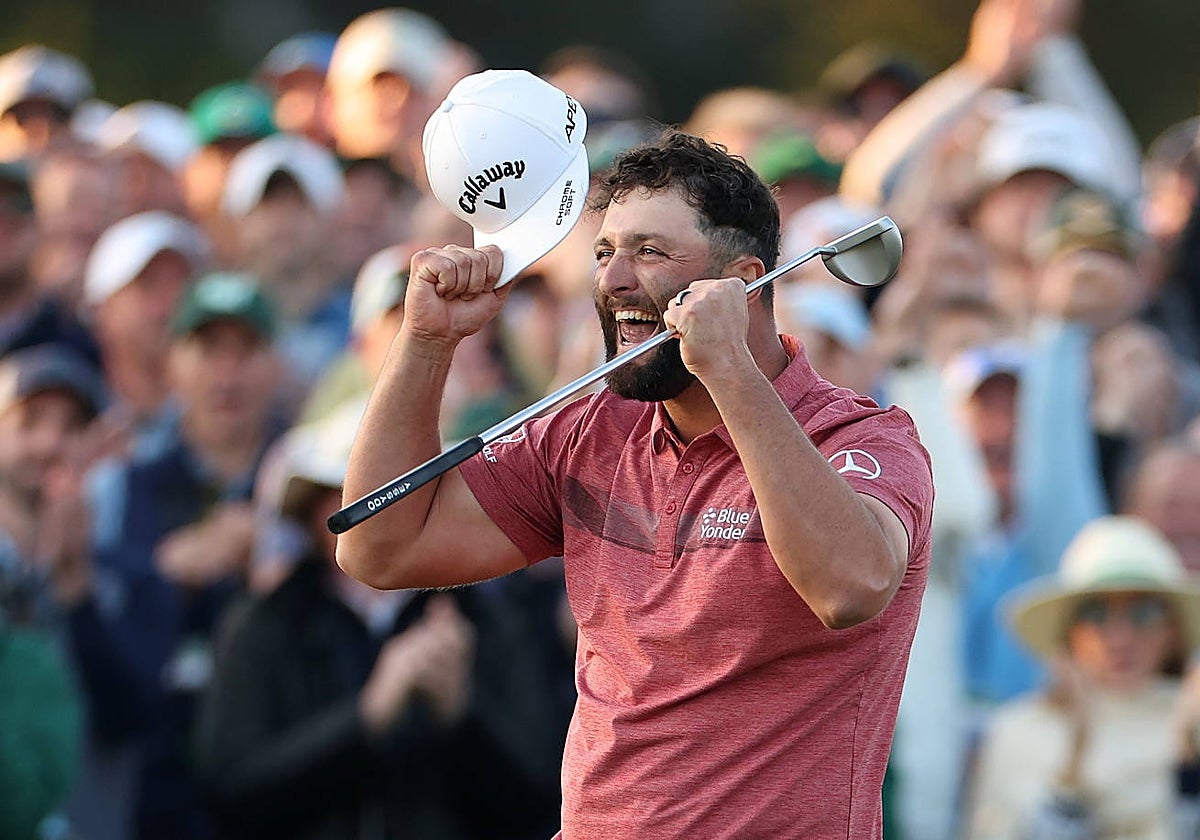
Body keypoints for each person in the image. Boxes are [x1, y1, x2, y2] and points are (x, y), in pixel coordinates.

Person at [338, 120, 934, 836]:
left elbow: (850, 586)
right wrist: (425, 343)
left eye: (651, 251)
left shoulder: (863, 438)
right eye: (605, 252)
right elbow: (379, 549)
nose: (615, 279)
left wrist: (731, 373)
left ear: (744, 286)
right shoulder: (590, 431)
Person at [964, 515, 1200, 839]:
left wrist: (1188, 754)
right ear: (1068, 634)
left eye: (1143, 613)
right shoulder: (1017, 732)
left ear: (1173, 631)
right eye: (1096, 614)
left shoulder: (1192, 722)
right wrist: (1075, 756)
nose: (1119, 637)